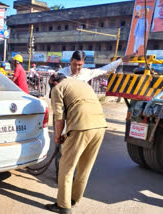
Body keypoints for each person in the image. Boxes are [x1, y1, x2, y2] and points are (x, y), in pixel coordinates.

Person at [50, 50, 131, 179]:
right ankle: (59, 175)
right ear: (70, 61)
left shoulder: (86, 73)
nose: (77, 68)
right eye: (75, 64)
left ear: (83, 64)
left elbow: (104, 69)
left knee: (74, 147)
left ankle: (69, 175)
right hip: (63, 114)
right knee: (60, 144)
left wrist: (121, 60)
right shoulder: (60, 74)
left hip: (77, 117)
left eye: (80, 65)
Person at [45, 73, 107, 214]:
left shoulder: (57, 88)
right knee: (85, 167)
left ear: (54, 83)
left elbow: (59, 118)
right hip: (100, 126)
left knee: (66, 167)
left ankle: (63, 206)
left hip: (81, 127)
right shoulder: (83, 84)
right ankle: (73, 199)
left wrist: (57, 136)